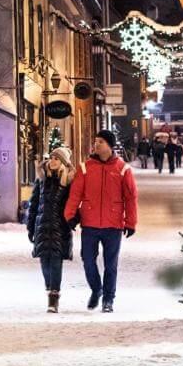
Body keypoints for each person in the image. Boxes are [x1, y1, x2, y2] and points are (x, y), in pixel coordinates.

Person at [64, 130, 139, 313]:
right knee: (88, 260)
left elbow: (130, 197)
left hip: (113, 225)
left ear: (110, 145)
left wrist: (130, 222)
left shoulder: (123, 169)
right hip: (89, 223)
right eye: (96, 141)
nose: (96, 145)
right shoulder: (85, 168)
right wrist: (70, 215)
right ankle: (96, 289)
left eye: (101, 142)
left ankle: (108, 299)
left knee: (110, 264)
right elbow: (75, 194)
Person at [27, 147, 75, 313]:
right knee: (44, 262)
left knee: (55, 261)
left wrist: (72, 222)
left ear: (62, 163)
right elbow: (33, 205)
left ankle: (53, 297)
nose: (53, 161)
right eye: (52, 158)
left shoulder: (67, 183)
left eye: (57, 159)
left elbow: (72, 206)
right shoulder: (42, 181)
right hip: (41, 227)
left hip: (59, 228)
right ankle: (50, 287)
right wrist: (30, 226)